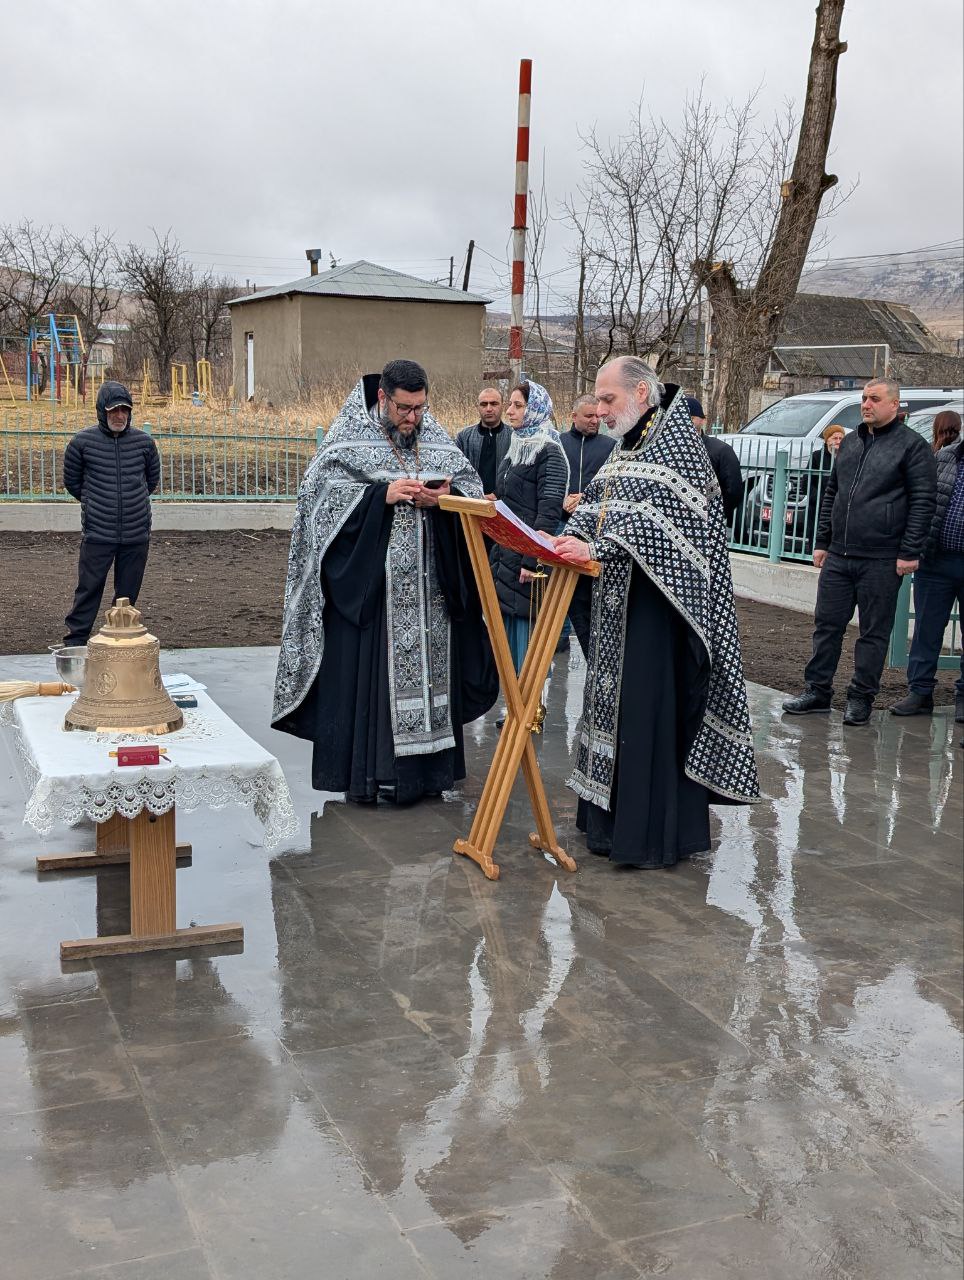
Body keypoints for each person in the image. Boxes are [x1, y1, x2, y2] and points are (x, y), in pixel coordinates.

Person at [553, 356, 759, 870]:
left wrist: (601, 548)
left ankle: (644, 836)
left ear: (642, 393)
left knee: (644, 715)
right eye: (597, 400)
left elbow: (667, 527)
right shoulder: (627, 446)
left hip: (658, 615)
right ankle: (604, 825)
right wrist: (567, 539)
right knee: (611, 709)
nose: (599, 411)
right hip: (615, 606)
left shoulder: (679, 451)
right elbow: (597, 503)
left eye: (608, 400)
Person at [272, 359, 498, 805]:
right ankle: (376, 777)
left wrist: (445, 499)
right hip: (376, 597)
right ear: (382, 398)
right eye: (404, 409)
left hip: (432, 596)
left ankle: (428, 776)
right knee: (376, 686)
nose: (413, 418)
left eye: (420, 408)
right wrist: (380, 496)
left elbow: (472, 492)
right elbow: (318, 502)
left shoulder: (433, 436)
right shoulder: (347, 436)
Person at [782, 378, 937, 726]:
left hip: (882, 558)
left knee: (873, 632)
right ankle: (818, 690)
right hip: (840, 554)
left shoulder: (912, 447)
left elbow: (923, 502)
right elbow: (832, 492)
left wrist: (909, 551)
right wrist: (822, 542)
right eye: (864, 398)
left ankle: (861, 697)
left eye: (874, 399)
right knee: (826, 626)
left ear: (894, 405)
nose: (866, 404)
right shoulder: (851, 442)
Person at [62, 380, 160, 646]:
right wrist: (97, 502)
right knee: (88, 590)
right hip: (98, 533)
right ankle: (76, 643)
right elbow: (73, 483)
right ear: (102, 411)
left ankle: (120, 642)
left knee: (127, 596)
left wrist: (131, 502)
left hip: (135, 534)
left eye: (124, 410)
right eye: (113, 410)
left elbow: (150, 482)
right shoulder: (81, 443)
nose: (119, 416)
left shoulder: (145, 443)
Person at [489, 379, 568, 672]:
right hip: (506, 554)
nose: (509, 410)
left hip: (526, 561)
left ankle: (529, 712)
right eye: (509, 404)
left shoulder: (549, 451)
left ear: (534, 409)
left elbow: (548, 512)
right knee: (507, 638)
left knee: (527, 639)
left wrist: (532, 561)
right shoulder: (517, 447)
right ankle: (514, 706)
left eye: (517, 405)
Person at [891, 433, 964, 722]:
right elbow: (921, 500)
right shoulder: (947, 456)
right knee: (926, 630)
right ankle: (920, 692)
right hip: (936, 560)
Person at [557, 394, 617, 655]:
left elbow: (613, 486)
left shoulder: (611, 446)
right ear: (573, 416)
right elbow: (550, 478)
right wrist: (562, 498)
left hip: (594, 532)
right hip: (561, 523)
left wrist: (585, 499)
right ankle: (558, 639)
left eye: (597, 416)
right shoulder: (558, 443)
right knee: (557, 586)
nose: (595, 420)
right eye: (589, 416)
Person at [687, 396, 743, 523]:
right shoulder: (669, 451)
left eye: (691, 418)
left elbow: (733, 490)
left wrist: (715, 515)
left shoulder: (721, 450)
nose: (686, 423)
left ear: (702, 420)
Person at [455, 388, 510, 496]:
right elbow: (456, 472)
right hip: (471, 503)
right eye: (484, 404)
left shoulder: (514, 437)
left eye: (494, 404)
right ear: (478, 407)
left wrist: (498, 494)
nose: (489, 409)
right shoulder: (464, 437)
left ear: (502, 406)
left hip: (503, 504)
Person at [805, 423, 846, 551]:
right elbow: (806, 482)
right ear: (827, 440)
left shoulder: (846, 456)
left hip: (840, 507)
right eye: (835, 438)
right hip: (819, 506)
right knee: (817, 535)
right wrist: (821, 499)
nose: (838, 441)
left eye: (841, 438)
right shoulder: (817, 457)